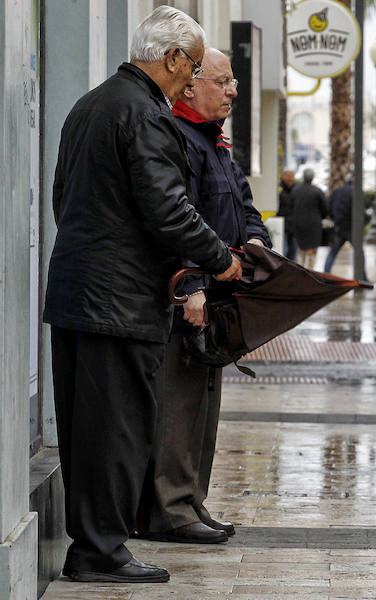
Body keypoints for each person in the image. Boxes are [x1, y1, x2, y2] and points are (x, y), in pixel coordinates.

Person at [44, 6, 242, 584]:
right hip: (120, 303)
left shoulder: (92, 105)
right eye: (195, 65)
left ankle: (94, 547)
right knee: (119, 430)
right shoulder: (145, 113)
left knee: (86, 430)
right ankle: (101, 553)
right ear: (173, 57)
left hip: (79, 293)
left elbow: (65, 198)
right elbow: (168, 210)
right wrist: (221, 258)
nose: (194, 76)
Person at [136, 48, 271, 545]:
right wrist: (191, 285)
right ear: (190, 86)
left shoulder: (216, 144)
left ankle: (192, 501)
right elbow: (171, 220)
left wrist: (257, 240)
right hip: (187, 299)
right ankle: (170, 511)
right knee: (179, 407)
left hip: (219, 296)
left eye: (234, 82)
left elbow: (246, 207)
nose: (233, 91)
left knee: (205, 407)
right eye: (224, 81)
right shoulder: (178, 138)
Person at [323, 174, 367, 279]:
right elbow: (360, 211)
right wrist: (363, 224)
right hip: (351, 227)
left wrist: (335, 220)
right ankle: (362, 276)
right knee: (359, 251)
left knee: (333, 251)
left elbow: (328, 206)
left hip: (338, 226)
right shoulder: (356, 192)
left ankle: (326, 273)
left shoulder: (336, 191)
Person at [288, 168, 329, 269]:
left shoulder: (295, 190)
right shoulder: (317, 191)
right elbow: (325, 208)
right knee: (312, 251)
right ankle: (310, 272)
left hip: (298, 224)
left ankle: (300, 272)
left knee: (300, 250)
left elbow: (290, 206)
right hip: (313, 226)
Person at [277, 170, 298, 259]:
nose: (290, 178)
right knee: (283, 250)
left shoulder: (296, 190)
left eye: (292, 176)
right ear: (283, 177)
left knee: (293, 250)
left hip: (294, 225)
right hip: (281, 224)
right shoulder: (278, 190)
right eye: (288, 176)